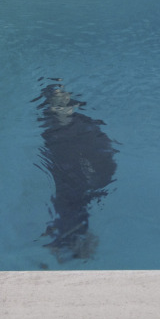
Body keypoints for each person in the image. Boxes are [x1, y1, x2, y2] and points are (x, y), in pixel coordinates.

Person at [37, 82, 118, 261]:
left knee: (73, 202)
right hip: (64, 175)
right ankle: (68, 241)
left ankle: (72, 242)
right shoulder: (48, 124)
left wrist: (97, 175)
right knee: (66, 204)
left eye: (65, 98)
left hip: (79, 176)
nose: (64, 102)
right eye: (58, 100)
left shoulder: (85, 127)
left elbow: (104, 154)